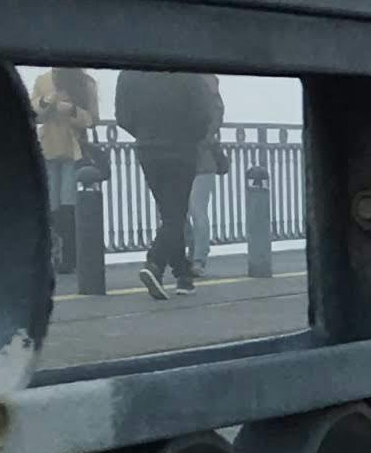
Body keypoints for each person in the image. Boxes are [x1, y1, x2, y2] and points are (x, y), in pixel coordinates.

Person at [111, 65, 226, 296]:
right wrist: (190, 137)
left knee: (170, 214)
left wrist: (144, 133)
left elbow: (122, 117)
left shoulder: (129, 73)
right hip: (181, 150)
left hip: (148, 150)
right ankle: (154, 263)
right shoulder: (186, 72)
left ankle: (182, 275)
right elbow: (204, 115)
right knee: (175, 215)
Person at [30, 64, 100, 280]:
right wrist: (46, 102)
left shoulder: (86, 83)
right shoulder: (43, 80)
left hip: (73, 149)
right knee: (52, 205)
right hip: (49, 148)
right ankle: (58, 253)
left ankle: (70, 255)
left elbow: (92, 119)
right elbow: (33, 113)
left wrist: (71, 111)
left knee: (69, 203)